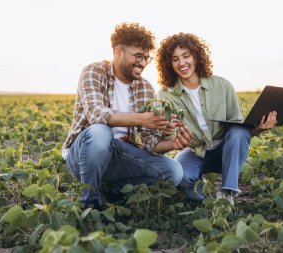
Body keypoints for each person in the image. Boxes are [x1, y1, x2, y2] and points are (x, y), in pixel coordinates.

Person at [62, 23, 193, 210]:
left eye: (146, 58)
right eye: (138, 56)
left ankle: (110, 190)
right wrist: (143, 119)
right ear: (118, 52)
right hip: (84, 154)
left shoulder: (145, 87)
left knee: (173, 171)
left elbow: (149, 142)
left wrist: (172, 143)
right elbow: (95, 113)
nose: (143, 62)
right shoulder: (94, 71)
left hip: (121, 154)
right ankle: (90, 202)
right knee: (101, 132)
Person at [156, 32, 277, 204]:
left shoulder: (222, 85)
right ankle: (201, 198)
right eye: (175, 59)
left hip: (224, 151)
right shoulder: (166, 95)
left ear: (196, 56)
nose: (182, 63)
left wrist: (257, 129)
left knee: (238, 131)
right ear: (169, 63)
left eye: (186, 56)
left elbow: (239, 131)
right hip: (194, 151)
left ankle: (227, 193)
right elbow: (167, 135)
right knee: (181, 176)